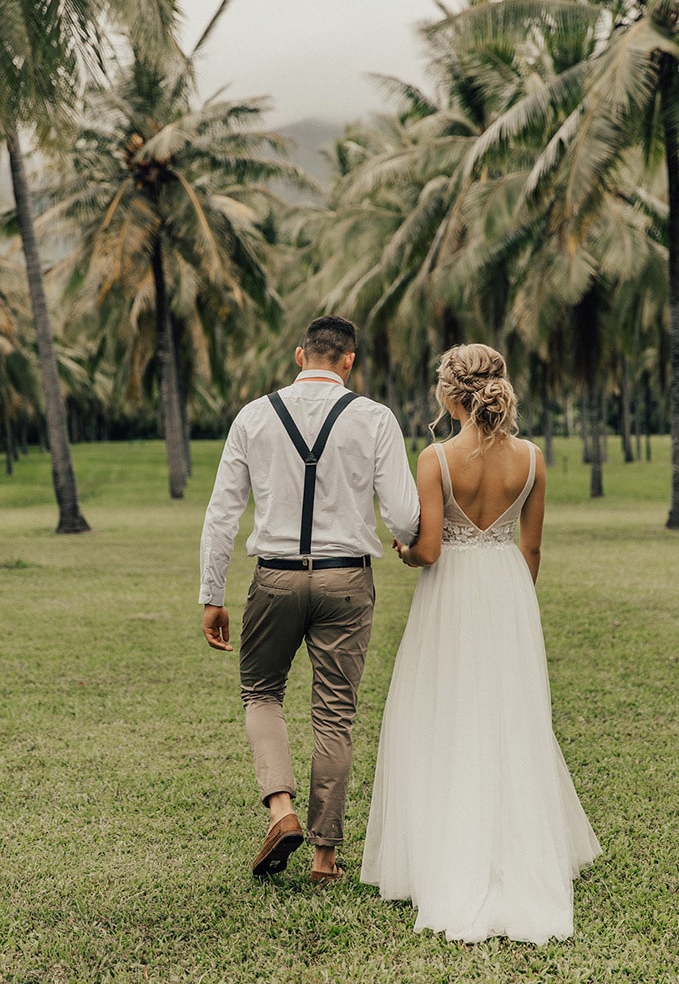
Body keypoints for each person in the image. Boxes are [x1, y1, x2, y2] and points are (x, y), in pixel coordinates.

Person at [361, 343, 600, 943]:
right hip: (508, 590)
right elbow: (533, 547)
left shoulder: (436, 458)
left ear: (450, 394)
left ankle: (445, 852)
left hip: (451, 594)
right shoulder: (533, 458)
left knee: (445, 712)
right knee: (509, 716)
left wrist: (404, 551)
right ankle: (517, 846)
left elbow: (430, 550)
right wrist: (515, 598)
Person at [199, 315, 419, 884]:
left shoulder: (253, 416)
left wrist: (211, 593)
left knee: (261, 690)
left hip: (274, 576)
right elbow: (402, 514)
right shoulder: (374, 418)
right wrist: (407, 538)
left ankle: (282, 809)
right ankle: (325, 858)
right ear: (349, 361)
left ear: (300, 356)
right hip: (347, 580)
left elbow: (223, 512)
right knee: (335, 713)